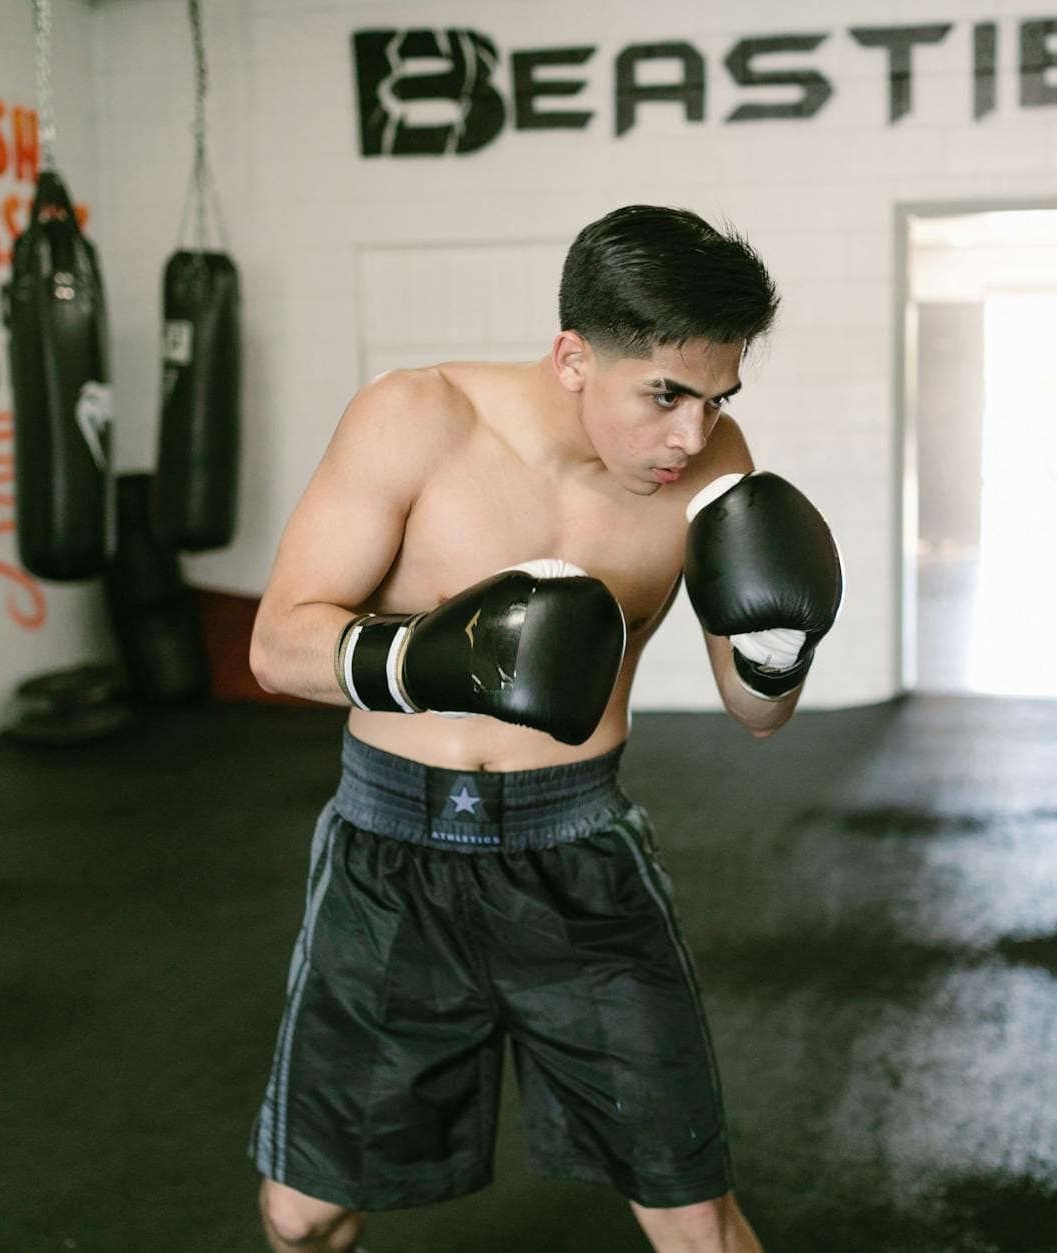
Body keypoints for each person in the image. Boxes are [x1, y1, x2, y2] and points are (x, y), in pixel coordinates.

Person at [244, 204, 843, 1253]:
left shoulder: (710, 466)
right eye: (663, 394)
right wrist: (431, 655)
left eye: (716, 399)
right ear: (573, 355)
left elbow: (754, 715)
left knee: (695, 1216)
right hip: (392, 859)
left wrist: (778, 648)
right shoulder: (414, 417)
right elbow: (277, 646)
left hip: (577, 854)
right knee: (303, 1214)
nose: (689, 436)